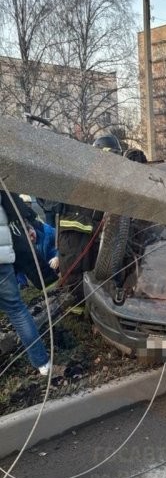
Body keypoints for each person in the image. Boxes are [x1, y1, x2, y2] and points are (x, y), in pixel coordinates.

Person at [58, 133, 122, 302]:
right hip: (74, 240)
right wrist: (95, 226)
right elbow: (65, 219)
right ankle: (76, 310)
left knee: (94, 278)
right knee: (76, 279)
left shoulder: (108, 182)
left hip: (93, 240)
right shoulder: (81, 180)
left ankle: (89, 307)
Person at [0, 193, 50, 375]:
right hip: (2, 258)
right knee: (17, 310)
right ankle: (43, 364)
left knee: (17, 311)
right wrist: (28, 225)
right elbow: (14, 206)